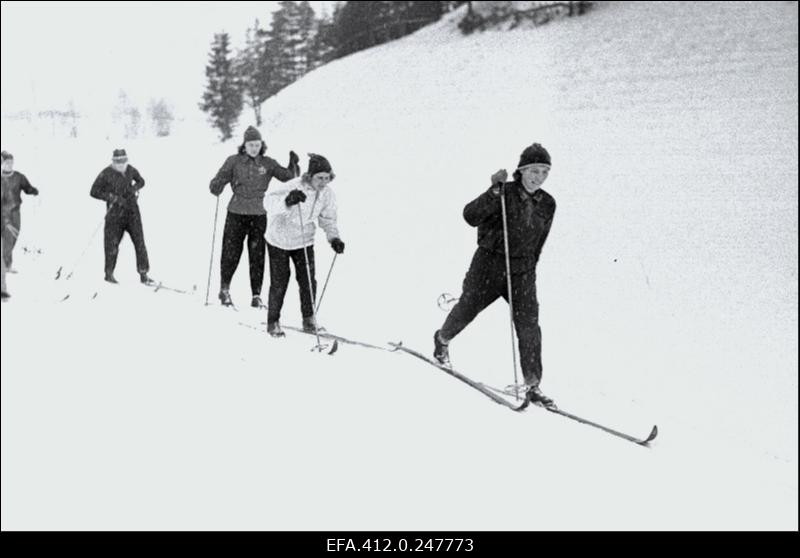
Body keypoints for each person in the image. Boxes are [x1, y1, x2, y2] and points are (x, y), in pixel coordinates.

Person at [433, 143, 557, 407]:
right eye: (534, 171)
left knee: (529, 326)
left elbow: (539, 241)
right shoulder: (503, 192)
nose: (539, 177)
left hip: (522, 271)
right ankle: (442, 339)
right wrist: (493, 191)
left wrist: (529, 268)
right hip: (489, 265)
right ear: (521, 171)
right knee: (467, 309)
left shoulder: (548, 203)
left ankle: (533, 384)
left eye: (544, 172)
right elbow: (470, 216)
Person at [210, 126, 299, 308]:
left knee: (257, 255)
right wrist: (216, 185)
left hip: (259, 214)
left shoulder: (267, 163)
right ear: (244, 145)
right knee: (231, 252)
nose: (254, 148)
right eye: (250, 145)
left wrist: (293, 164)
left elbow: (287, 177)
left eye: (257, 145)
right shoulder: (234, 161)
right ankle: (224, 289)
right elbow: (219, 179)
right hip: (236, 213)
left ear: (261, 145)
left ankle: (256, 295)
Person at [263, 153, 344, 337]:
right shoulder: (294, 185)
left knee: (308, 281)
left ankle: (308, 319)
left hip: (304, 240)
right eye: (319, 178)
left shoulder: (327, 194)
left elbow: (328, 219)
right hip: (279, 239)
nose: (323, 182)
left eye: (327, 178)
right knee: (280, 281)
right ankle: (273, 322)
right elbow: (268, 202)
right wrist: (287, 200)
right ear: (310, 176)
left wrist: (334, 239)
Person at [90, 148, 153, 285]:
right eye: (118, 161)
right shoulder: (106, 173)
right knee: (111, 244)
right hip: (114, 215)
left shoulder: (130, 170)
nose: (121, 163)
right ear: (113, 161)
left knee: (139, 242)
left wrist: (135, 188)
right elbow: (94, 191)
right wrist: (111, 197)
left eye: (123, 160)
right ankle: (109, 274)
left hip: (132, 212)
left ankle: (144, 273)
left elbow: (141, 181)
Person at [1, 150, 39, 273]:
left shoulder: (18, 177)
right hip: (3, 213)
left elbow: (27, 187)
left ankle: (5, 263)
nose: (9, 165)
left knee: (14, 235)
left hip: (16, 212)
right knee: (8, 237)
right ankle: (6, 265)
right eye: (7, 163)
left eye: (11, 162)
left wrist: (33, 190)